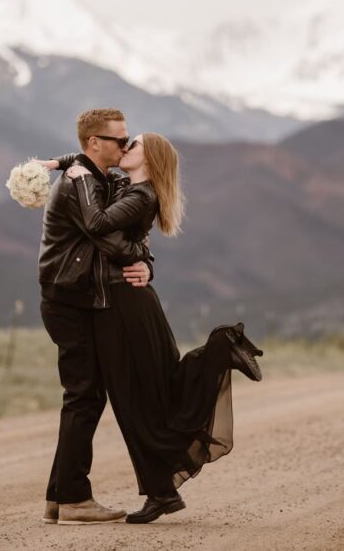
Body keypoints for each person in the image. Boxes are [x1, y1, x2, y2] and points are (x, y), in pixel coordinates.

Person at [63, 132, 264, 524]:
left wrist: (77, 179)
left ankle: (221, 348)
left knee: (138, 398)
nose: (124, 148)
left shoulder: (140, 195)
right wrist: (57, 164)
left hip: (124, 306)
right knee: (144, 395)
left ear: (149, 160)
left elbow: (96, 226)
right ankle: (162, 491)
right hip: (128, 303)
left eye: (132, 144)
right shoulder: (132, 189)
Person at [34, 108, 154, 526]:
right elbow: (104, 232)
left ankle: (58, 497)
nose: (126, 145)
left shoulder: (100, 175)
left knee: (84, 394)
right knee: (84, 394)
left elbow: (131, 233)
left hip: (81, 298)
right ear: (94, 143)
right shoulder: (79, 183)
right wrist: (140, 257)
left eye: (127, 139)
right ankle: (73, 498)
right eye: (119, 140)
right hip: (67, 300)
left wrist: (147, 263)